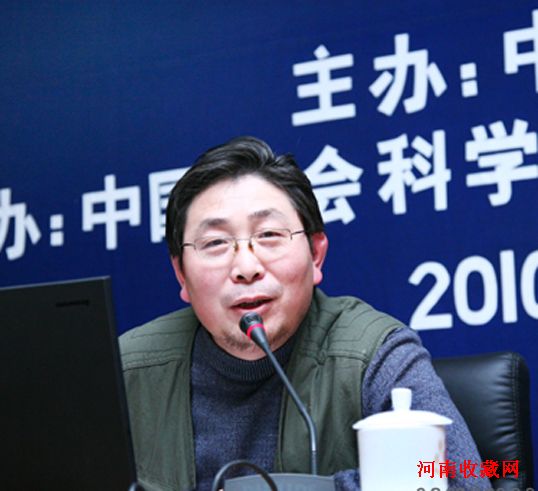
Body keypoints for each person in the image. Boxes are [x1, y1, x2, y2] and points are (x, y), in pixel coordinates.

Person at [119, 136, 490, 491]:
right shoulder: (125, 371)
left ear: (315, 255)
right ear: (181, 274)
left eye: (269, 235)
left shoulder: (372, 352)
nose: (246, 267)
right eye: (215, 243)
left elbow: (461, 480)